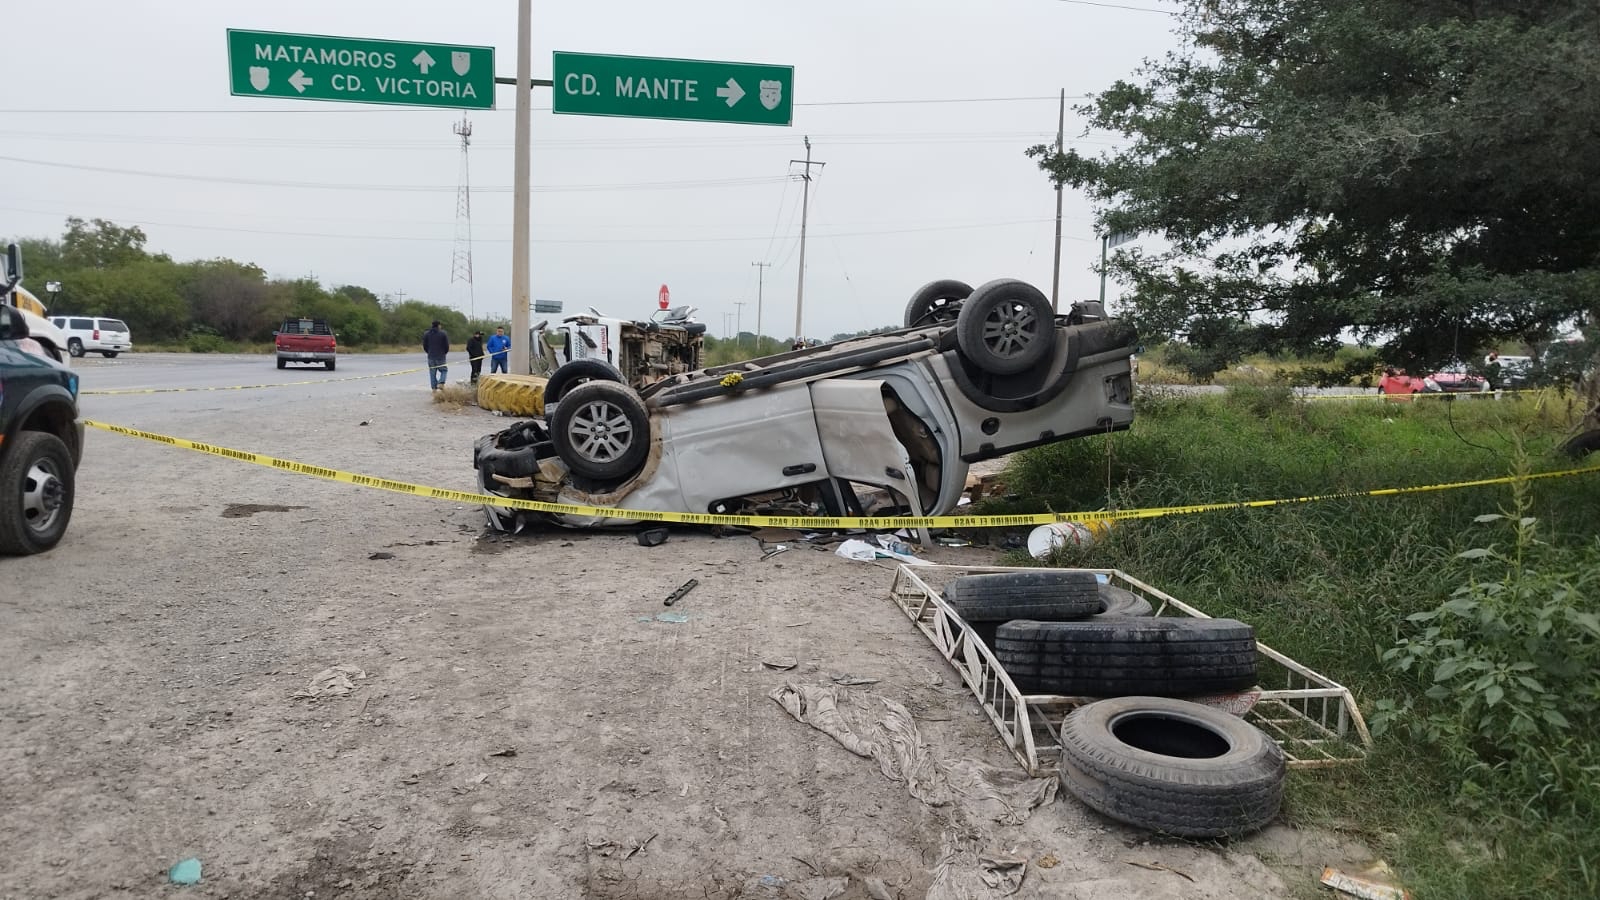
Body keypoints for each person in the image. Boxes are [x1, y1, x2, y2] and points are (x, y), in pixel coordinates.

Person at [422, 320, 450, 390]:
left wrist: (429, 352)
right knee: (444, 370)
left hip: (431, 357)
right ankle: (441, 382)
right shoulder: (443, 334)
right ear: (439, 325)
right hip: (441, 356)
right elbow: (446, 346)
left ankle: (434, 389)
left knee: (432, 373)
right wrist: (444, 353)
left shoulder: (426, 334)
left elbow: (425, 345)